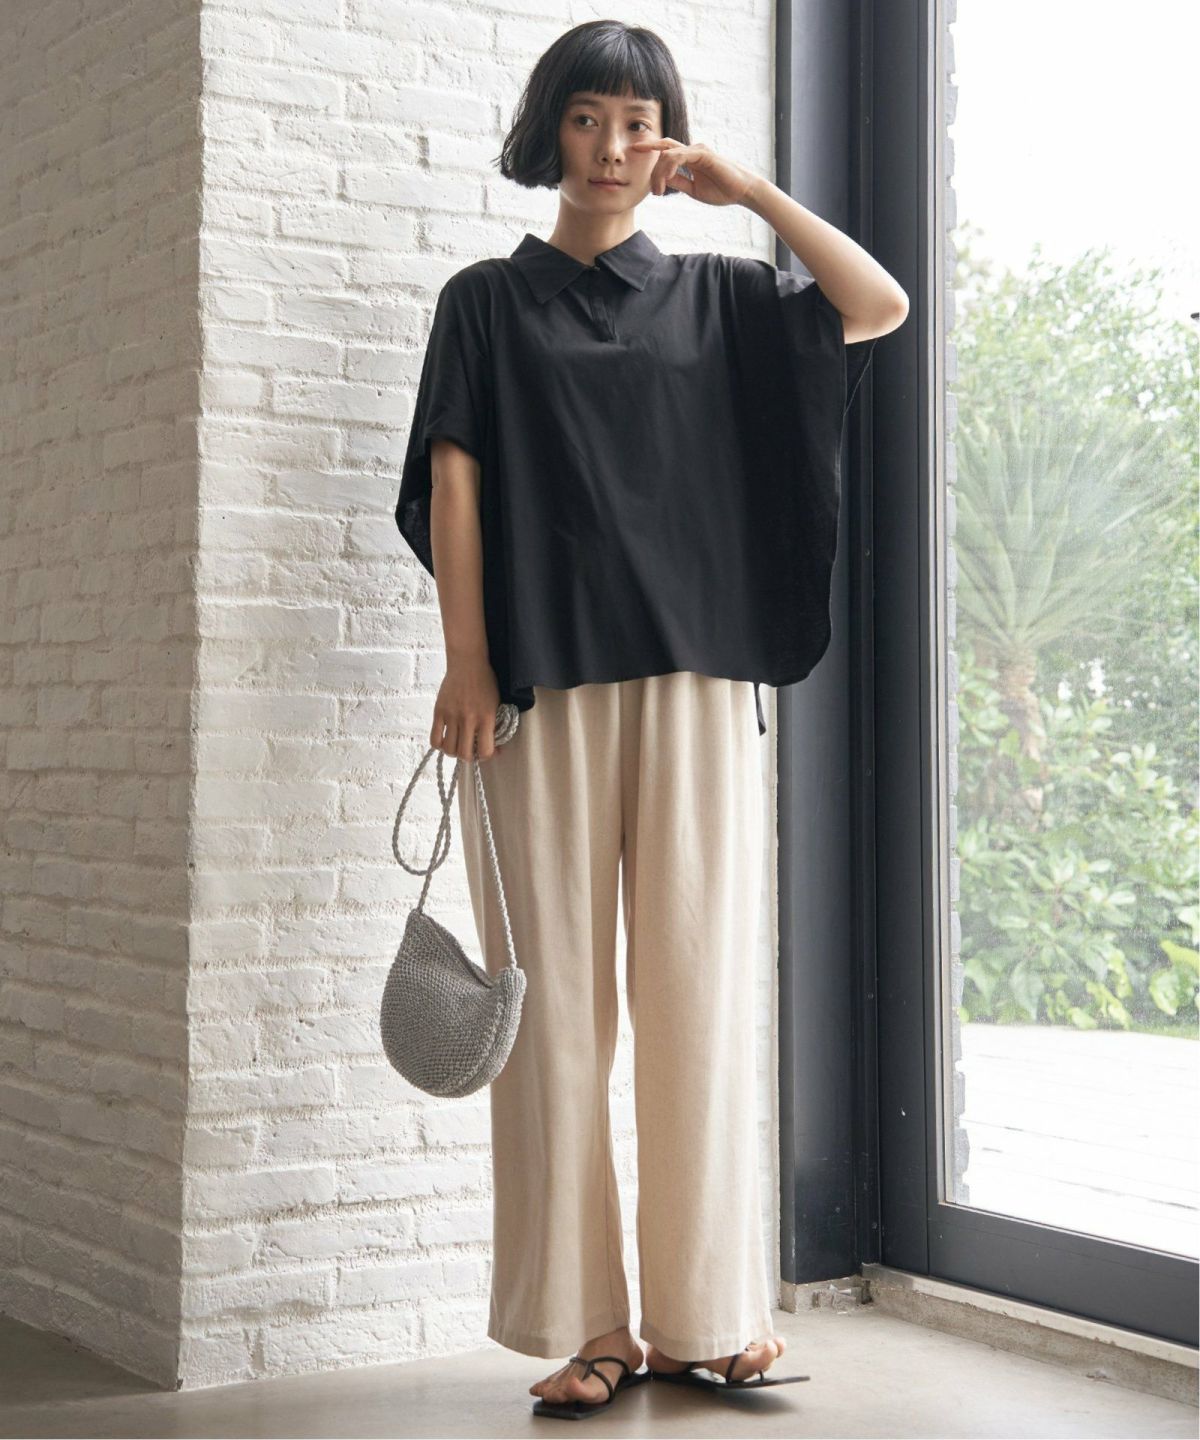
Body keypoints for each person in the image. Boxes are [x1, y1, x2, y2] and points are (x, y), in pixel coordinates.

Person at [394, 17, 908, 1422]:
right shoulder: (483, 304)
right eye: (587, 119)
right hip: (537, 695)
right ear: (548, 132)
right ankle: (590, 1325)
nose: (613, 148)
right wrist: (464, 660)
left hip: (695, 691)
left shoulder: (725, 297)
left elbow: (877, 305)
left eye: (638, 123)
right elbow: (455, 481)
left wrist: (749, 194)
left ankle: (706, 1318)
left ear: (667, 139)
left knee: (699, 999)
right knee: (553, 1016)